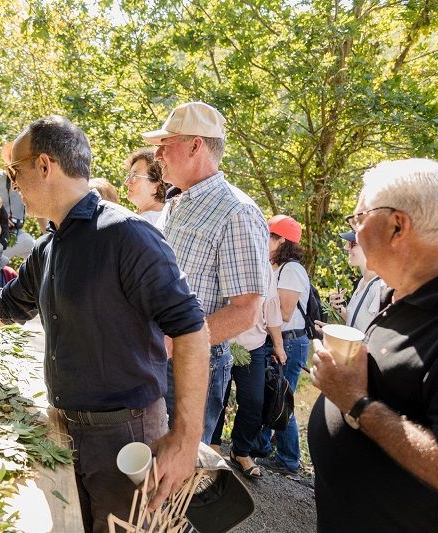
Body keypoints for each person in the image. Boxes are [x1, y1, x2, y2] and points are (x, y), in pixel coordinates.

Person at [0, 116, 211, 533]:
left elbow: (191, 328)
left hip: (125, 435)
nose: (13, 185)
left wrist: (186, 437)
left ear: (45, 165)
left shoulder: (126, 234)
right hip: (67, 431)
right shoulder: (52, 244)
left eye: (16, 171)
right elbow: (9, 306)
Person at [308, 158, 438, 532]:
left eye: (358, 217)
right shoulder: (393, 294)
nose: (355, 230)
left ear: (397, 225)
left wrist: (355, 401)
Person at [144, 101, 268, 443]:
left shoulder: (237, 212)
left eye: (165, 145)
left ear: (196, 145)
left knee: (178, 471)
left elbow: (246, 311)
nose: (157, 155)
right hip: (159, 354)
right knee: (150, 461)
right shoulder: (177, 201)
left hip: (193, 363)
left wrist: (177, 342)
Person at [210, 262, 286, 478]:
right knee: (217, 398)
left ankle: (240, 451)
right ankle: (213, 446)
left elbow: (271, 308)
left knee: (254, 402)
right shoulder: (224, 260)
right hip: (220, 342)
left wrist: (279, 345)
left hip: (253, 347)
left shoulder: (265, 270)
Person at [255, 214, 310, 475]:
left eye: (270, 236)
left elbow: (285, 314)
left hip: (289, 342)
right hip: (277, 340)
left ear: (282, 241)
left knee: (281, 398)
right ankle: (263, 448)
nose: (264, 240)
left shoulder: (292, 270)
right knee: (269, 395)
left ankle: (289, 460)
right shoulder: (276, 268)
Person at [327, 231, 381, 331]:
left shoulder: (379, 288)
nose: (346, 247)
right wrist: (338, 307)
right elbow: (355, 321)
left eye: (353, 243)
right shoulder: (362, 282)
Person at [0, 142, 35, 260]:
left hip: (18, 232)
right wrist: (2, 217)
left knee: (35, 248)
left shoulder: (29, 181)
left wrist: (47, 235)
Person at [124, 148, 169, 225]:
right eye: (129, 175)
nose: (127, 182)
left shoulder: (142, 223)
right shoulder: (169, 218)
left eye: (134, 176)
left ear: (156, 186)